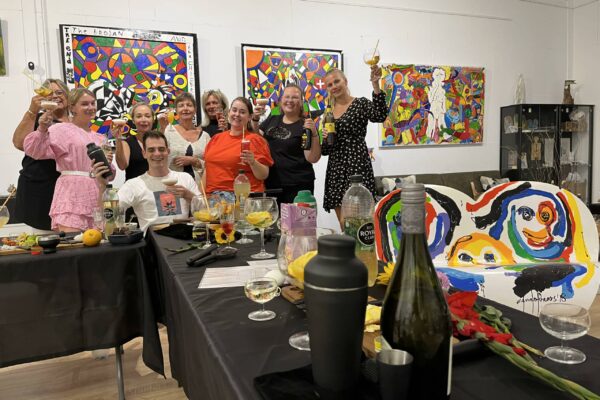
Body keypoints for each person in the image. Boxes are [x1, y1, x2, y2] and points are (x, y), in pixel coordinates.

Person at [23, 88, 114, 232]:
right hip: (71, 192)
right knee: (73, 242)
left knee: (99, 241)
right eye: (84, 104)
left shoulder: (100, 138)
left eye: (93, 103)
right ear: (72, 108)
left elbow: (110, 175)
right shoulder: (60, 130)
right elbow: (35, 151)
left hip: (98, 193)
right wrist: (42, 129)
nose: (90, 107)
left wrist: (107, 164)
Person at [92, 131, 199, 233]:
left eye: (161, 149)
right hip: (153, 243)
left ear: (168, 151)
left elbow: (204, 209)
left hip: (184, 240)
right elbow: (109, 216)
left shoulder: (185, 178)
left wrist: (188, 195)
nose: (157, 154)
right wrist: (102, 186)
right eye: (151, 150)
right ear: (144, 153)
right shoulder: (134, 185)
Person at [321, 67, 387, 227]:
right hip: (336, 168)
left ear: (345, 81)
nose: (334, 86)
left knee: (357, 222)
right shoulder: (328, 112)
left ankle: (363, 245)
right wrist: (325, 138)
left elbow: (380, 115)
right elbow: (325, 151)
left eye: (336, 81)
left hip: (357, 165)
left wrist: (375, 85)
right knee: (344, 224)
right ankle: (348, 244)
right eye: (330, 84)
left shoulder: (360, 103)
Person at [12, 79, 69, 230]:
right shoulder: (39, 119)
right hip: (37, 189)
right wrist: (32, 111)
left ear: (68, 97)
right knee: (41, 237)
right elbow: (19, 143)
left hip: (66, 188)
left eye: (59, 92)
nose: (55, 96)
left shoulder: (76, 124)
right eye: (50, 93)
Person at [251, 84, 321, 204]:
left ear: (301, 102)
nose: (290, 100)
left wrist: (314, 134)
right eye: (286, 97)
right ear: (281, 100)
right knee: (273, 216)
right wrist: (255, 119)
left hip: (299, 185)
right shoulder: (272, 119)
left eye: (295, 97)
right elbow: (257, 138)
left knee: (298, 217)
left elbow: (312, 158)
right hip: (272, 183)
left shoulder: (306, 125)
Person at [203, 97, 273, 194]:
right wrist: (201, 196)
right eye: (234, 110)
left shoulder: (256, 140)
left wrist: (253, 162)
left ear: (250, 117)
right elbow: (207, 170)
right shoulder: (215, 139)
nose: (237, 114)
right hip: (212, 198)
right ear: (229, 113)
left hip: (241, 197)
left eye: (242, 112)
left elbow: (263, 175)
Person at [159, 93, 210, 178]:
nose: (185, 108)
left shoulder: (205, 136)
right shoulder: (168, 130)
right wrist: (162, 129)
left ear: (195, 109)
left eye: (189, 105)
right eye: (181, 105)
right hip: (173, 183)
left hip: (199, 184)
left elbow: (211, 164)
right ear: (176, 110)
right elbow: (158, 154)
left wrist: (194, 161)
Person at [113, 102, 153, 180]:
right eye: (139, 116)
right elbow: (122, 166)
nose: (143, 119)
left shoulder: (159, 140)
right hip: (133, 186)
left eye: (147, 116)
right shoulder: (127, 142)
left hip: (156, 185)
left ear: (153, 119)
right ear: (133, 120)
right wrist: (118, 139)